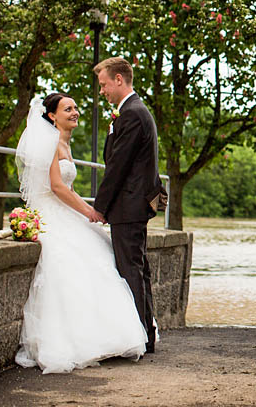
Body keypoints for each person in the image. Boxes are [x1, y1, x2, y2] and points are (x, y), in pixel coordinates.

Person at [15, 93, 147, 373]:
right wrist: (90, 212)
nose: (75, 112)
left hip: (66, 209)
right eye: (68, 109)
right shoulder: (50, 143)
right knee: (72, 259)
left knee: (101, 250)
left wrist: (91, 210)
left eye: (76, 107)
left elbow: (69, 190)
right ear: (52, 115)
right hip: (51, 214)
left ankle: (112, 334)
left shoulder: (64, 142)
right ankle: (78, 340)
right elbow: (57, 187)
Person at [93, 57, 166, 354]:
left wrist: (100, 207)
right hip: (132, 205)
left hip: (128, 206)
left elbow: (117, 167)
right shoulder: (132, 112)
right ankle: (144, 333)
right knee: (138, 270)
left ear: (119, 80)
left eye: (104, 84)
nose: (102, 91)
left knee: (131, 271)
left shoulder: (133, 114)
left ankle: (139, 335)